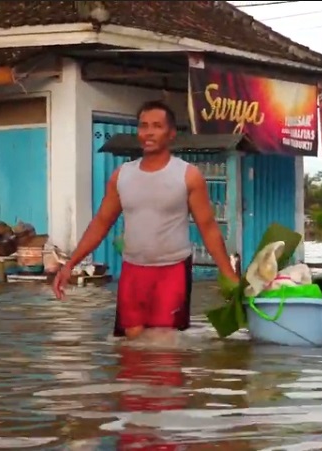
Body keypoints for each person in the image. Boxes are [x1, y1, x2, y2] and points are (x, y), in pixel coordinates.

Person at [52, 100, 239, 339]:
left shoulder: (188, 175)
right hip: (133, 272)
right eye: (143, 126)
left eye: (157, 126)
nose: (148, 132)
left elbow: (209, 229)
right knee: (132, 346)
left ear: (171, 133)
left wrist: (228, 274)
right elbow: (100, 223)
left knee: (164, 347)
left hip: (172, 271)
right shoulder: (122, 176)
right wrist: (70, 264)